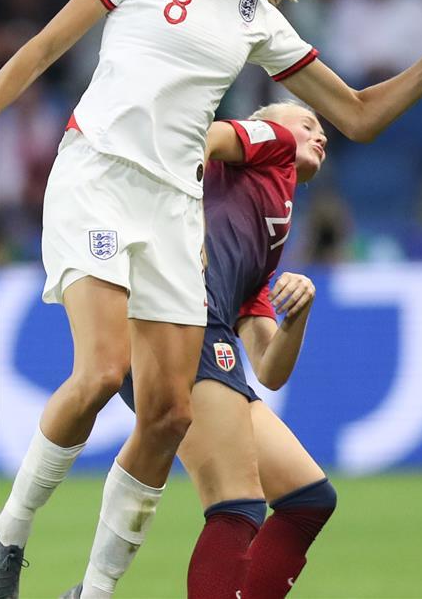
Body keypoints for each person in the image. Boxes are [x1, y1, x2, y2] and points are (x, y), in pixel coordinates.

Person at [0, 0, 422, 599]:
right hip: (97, 175)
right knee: (103, 371)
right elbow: (41, 49)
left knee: (166, 414)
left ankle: (92, 593)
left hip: (170, 211)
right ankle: (8, 539)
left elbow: (357, 116)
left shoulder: (257, 18)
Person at [109, 100, 334, 599]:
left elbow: (270, 370)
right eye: (308, 124)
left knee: (307, 497)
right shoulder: (267, 145)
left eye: (323, 131)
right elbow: (204, 136)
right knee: (236, 504)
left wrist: (298, 315)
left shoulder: (265, 234)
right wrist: (186, 220)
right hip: (179, 315)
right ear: (272, 126)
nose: (321, 135)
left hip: (196, 325)